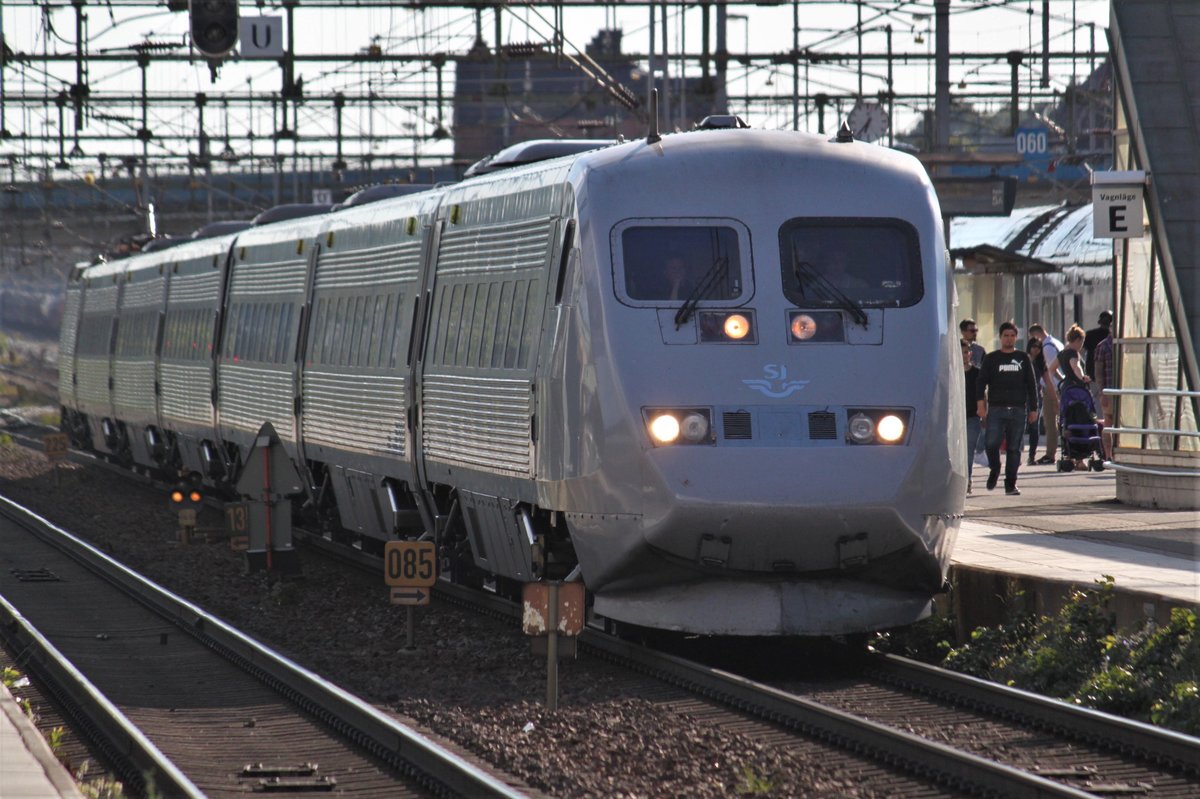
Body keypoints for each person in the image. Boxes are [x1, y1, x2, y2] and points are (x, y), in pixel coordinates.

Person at [977, 321, 1039, 496]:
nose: (1009, 339)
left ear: (1016, 337)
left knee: (1014, 448)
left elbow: (1031, 385)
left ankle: (1010, 484)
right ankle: (995, 469)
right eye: (1006, 336)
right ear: (1000, 337)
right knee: (991, 443)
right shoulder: (991, 358)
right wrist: (980, 404)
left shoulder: (1023, 358)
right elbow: (981, 383)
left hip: (1018, 410)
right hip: (996, 409)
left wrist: (1034, 408)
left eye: (1012, 336)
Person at [1027, 323, 1062, 464]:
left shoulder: (1047, 348)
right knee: (1052, 422)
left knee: (1050, 422)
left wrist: (1054, 396)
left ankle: (1050, 453)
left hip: (1051, 389)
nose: (1036, 347)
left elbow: (1050, 372)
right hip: (1055, 387)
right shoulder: (1055, 343)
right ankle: (1050, 452)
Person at [961, 338, 981, 495]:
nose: (964, 355)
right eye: (961, 352)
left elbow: (982, 395)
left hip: (972, 416)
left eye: (966, 352)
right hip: (955, 418)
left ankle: (967, 481)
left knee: (969, 451)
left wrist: (984, 411)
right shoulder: (951, 373)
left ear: (970, 354)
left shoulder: (977, 374)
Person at [1093, 326, 1115, 460]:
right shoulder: (1103, 346)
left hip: (1124, 392)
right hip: (1109, 391)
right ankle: (1108, 455)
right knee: (1108, 422)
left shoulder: (1125, 343)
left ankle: (1120, 453)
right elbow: (1098, 372)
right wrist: (1102, 393)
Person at [1083, 310, 1113, 405]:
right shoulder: (1113, 338)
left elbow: (1081, 351)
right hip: (1111, 379)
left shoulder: (1090, 335)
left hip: (1093, 376)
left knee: (1099, 407)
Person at [1024, 337, 1046, 465]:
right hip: (1022, 396)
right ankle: (1015, 451)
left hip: (1036, 397)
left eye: (1038, 347)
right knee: (1020, 426)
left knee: (1034, 427)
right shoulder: (1023, 359)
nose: (1036, 349)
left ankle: (1032, 455)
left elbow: (1047, 378)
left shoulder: (1040, 362)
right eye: (1034, 346)